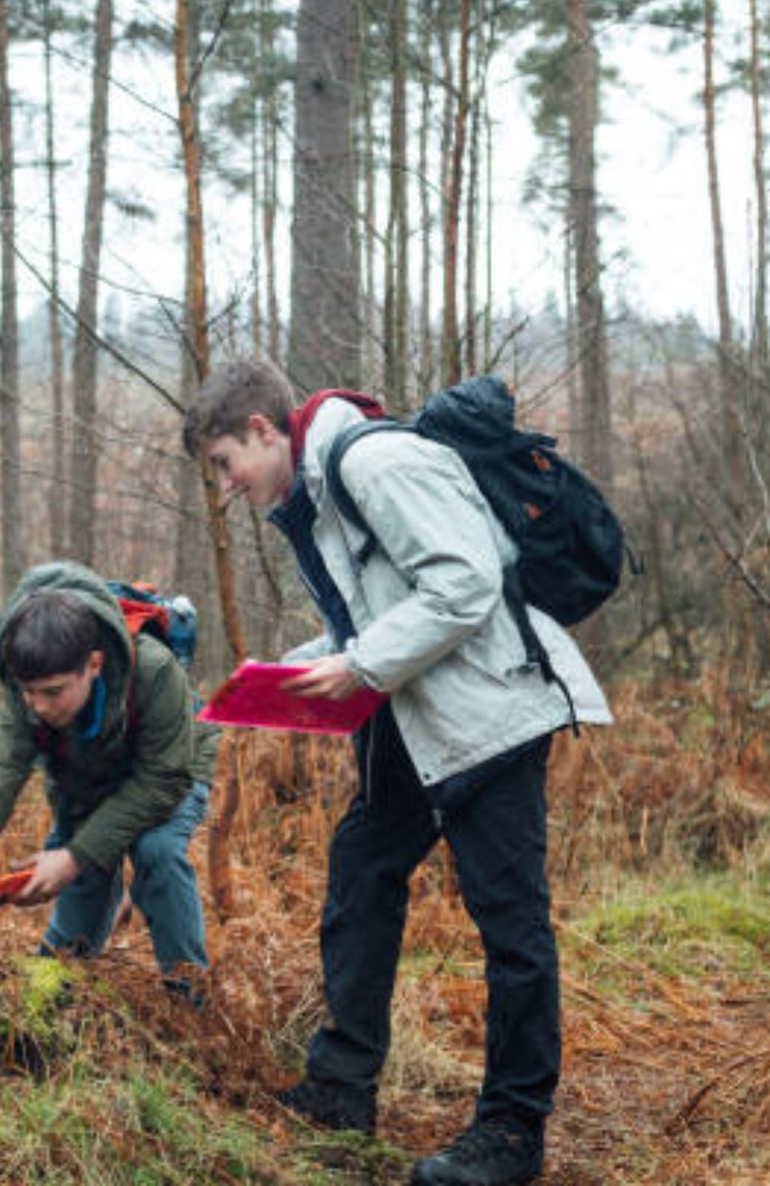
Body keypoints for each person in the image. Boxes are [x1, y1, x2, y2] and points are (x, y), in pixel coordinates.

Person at [182, 360, 611, 1186]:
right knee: (362, 872)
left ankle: (513, 1133)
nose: (227, 487)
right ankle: (342, 1087)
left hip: (489, 711)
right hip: (411, 717)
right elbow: (375, 617)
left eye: (226, 464)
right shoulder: (319, 498)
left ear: (266, 432)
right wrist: (290, 673)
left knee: (508, 921)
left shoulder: (373, 464)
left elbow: (467, 583)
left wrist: (363, 665)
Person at [0, 562, 215, 995]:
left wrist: (74, 855)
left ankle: (189, 1002)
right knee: (76, 898)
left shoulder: (154, 669)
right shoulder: (25, 699)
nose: (39, 706)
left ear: (95, 664)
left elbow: (165, 779)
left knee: (156, 852)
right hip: (85, 779)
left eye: (53, 691)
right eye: (29, 692)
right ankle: (55, 1000)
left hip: (168, 769)